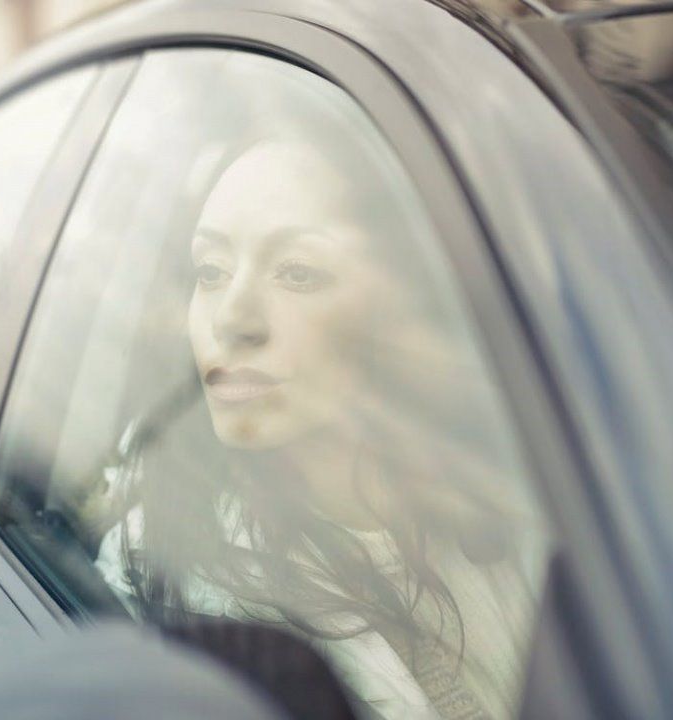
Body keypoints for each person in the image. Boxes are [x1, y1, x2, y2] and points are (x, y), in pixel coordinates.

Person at [92, 97, 545, 720]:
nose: (232, 318)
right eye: (211, 270)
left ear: (406, 304)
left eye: (297, 272)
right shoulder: (157, 576)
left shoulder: (525, 494)